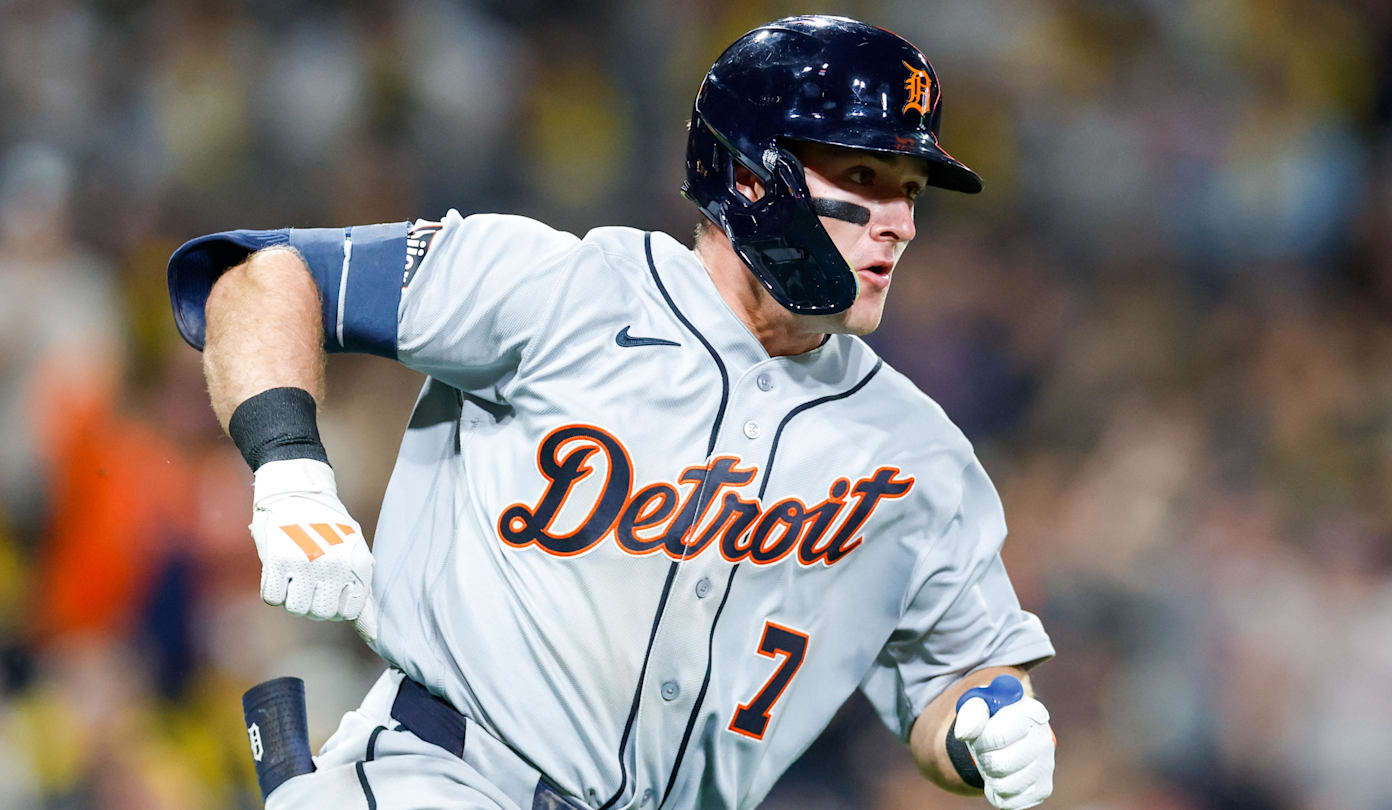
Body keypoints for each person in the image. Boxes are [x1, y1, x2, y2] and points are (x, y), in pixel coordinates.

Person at [168, 15, 1056, 810]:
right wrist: (290, 470)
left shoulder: (917, 451)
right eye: (866, 177)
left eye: (912, 192)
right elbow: (264, 275)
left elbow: (961, 673)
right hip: (450, 779)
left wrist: (990, 725)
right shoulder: (566, 288)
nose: (899, 223)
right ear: (751, 178)